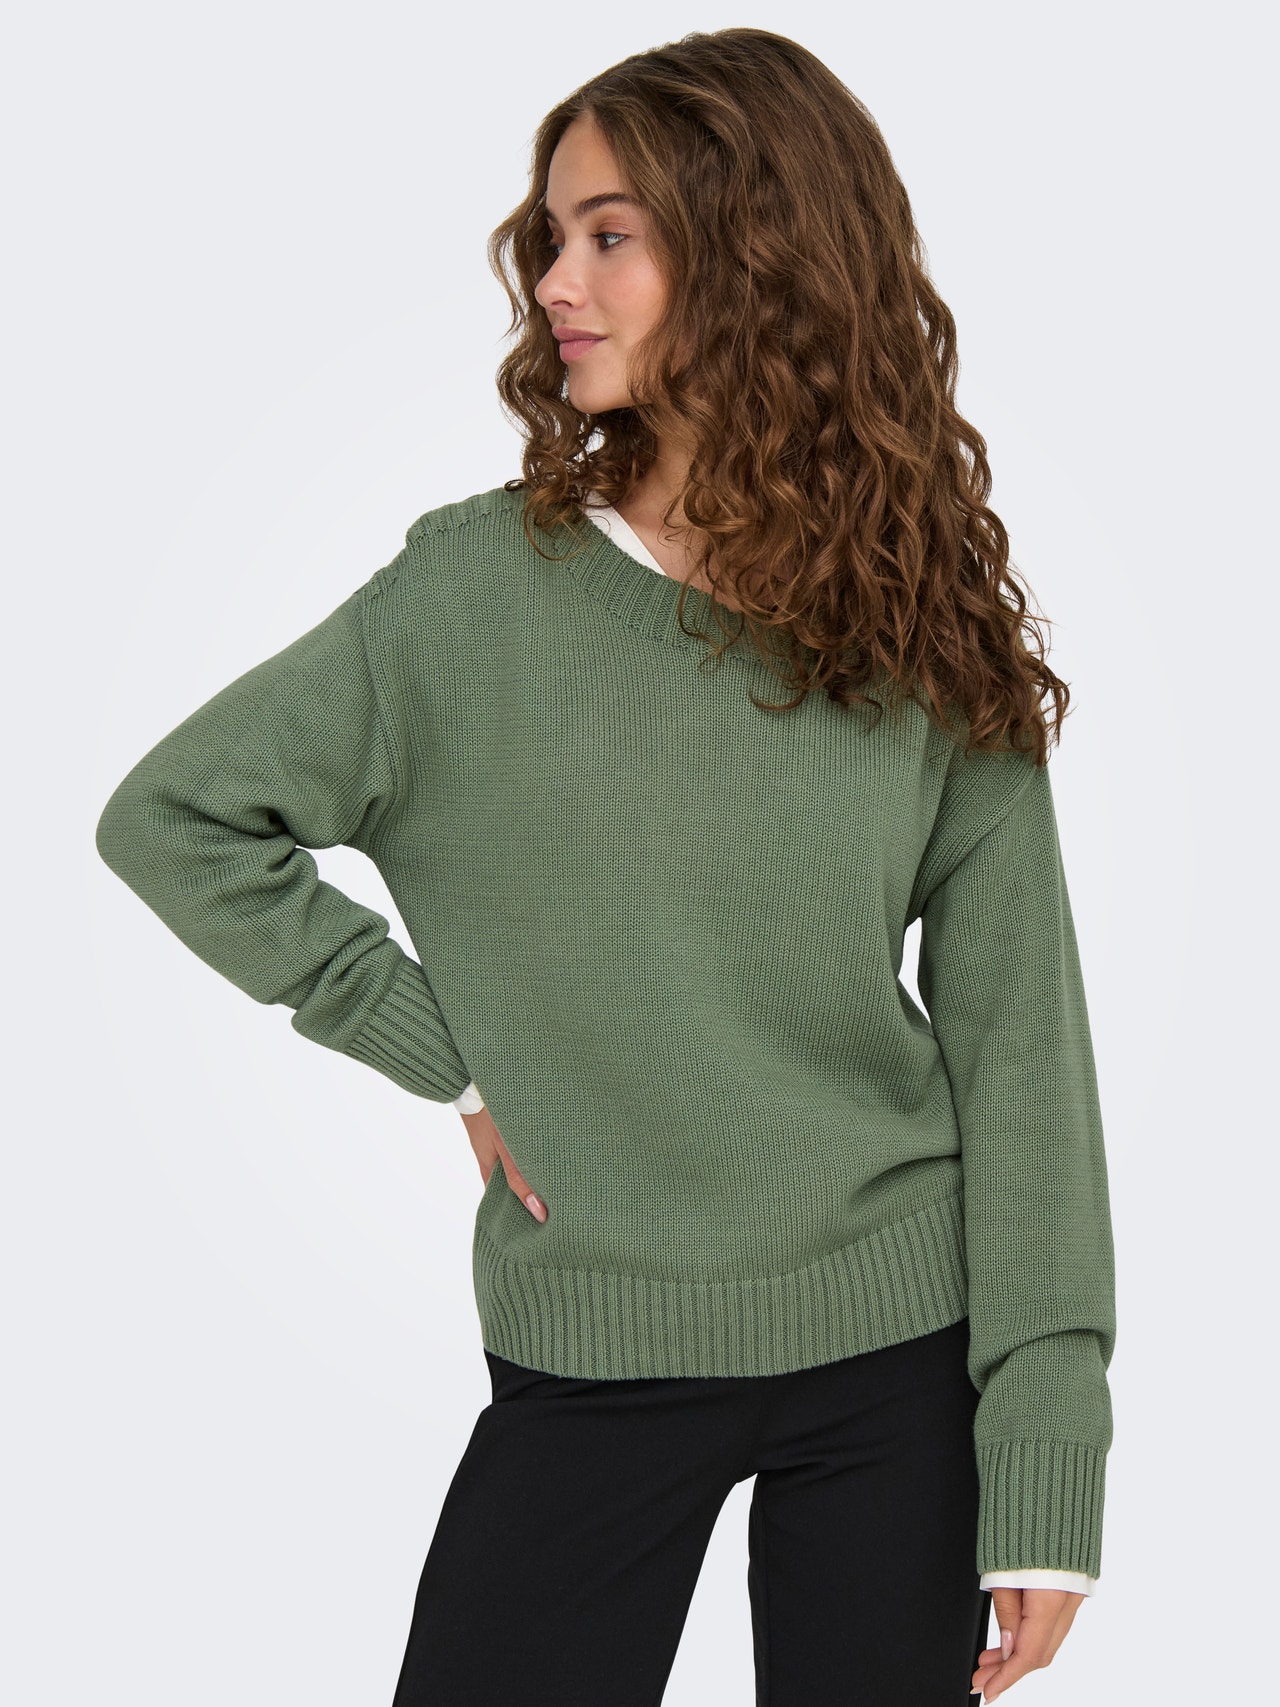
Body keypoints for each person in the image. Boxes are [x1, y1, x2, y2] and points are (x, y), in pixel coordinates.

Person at [94, 27, 1116, 1707]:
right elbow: (177, 817)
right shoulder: (469, 597)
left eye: (611, 235)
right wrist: (444, 1053)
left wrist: (1051, 1458)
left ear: (761, 254)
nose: (555, 282)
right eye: (553, 235)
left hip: (901, 1349)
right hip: (597, 1335)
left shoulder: (918, 614)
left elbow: (1024, 1058)